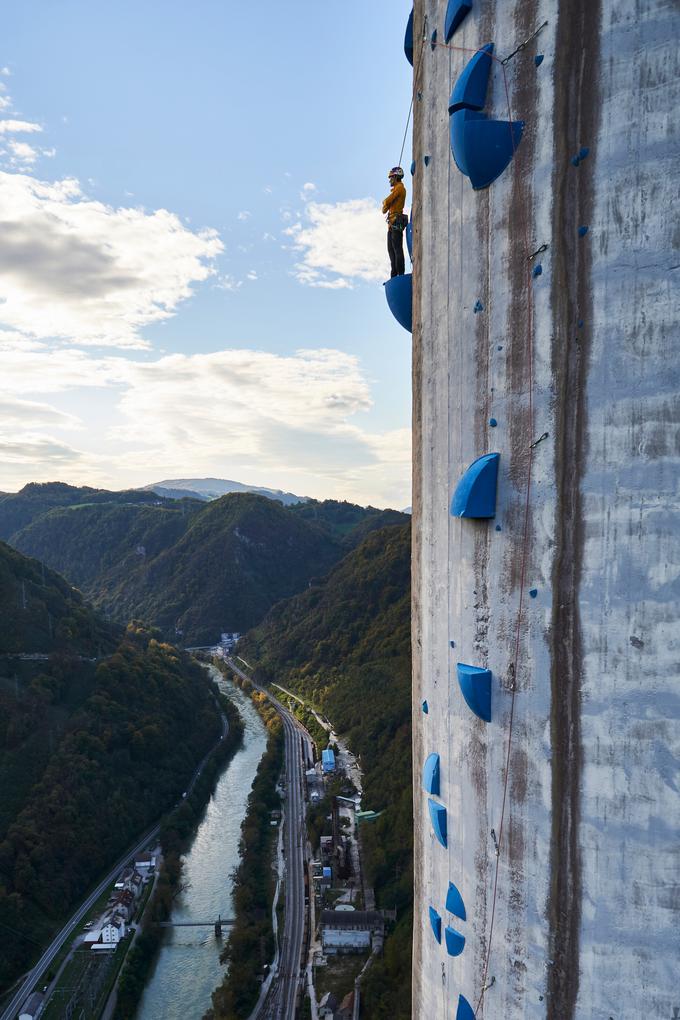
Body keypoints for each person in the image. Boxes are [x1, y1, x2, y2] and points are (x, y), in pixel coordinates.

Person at [382, 166, 407, 278]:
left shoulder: (400, 188)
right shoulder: (396, 190)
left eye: (391, 177)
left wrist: (386, 202)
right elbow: (384, 210)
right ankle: (394, 274)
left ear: (396, 177)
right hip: (391, 224)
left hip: (396, 222)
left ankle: (400, 273)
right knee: (391, 250)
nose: (389, 180)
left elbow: (387, 201)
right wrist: (386, 204)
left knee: (397, 249)